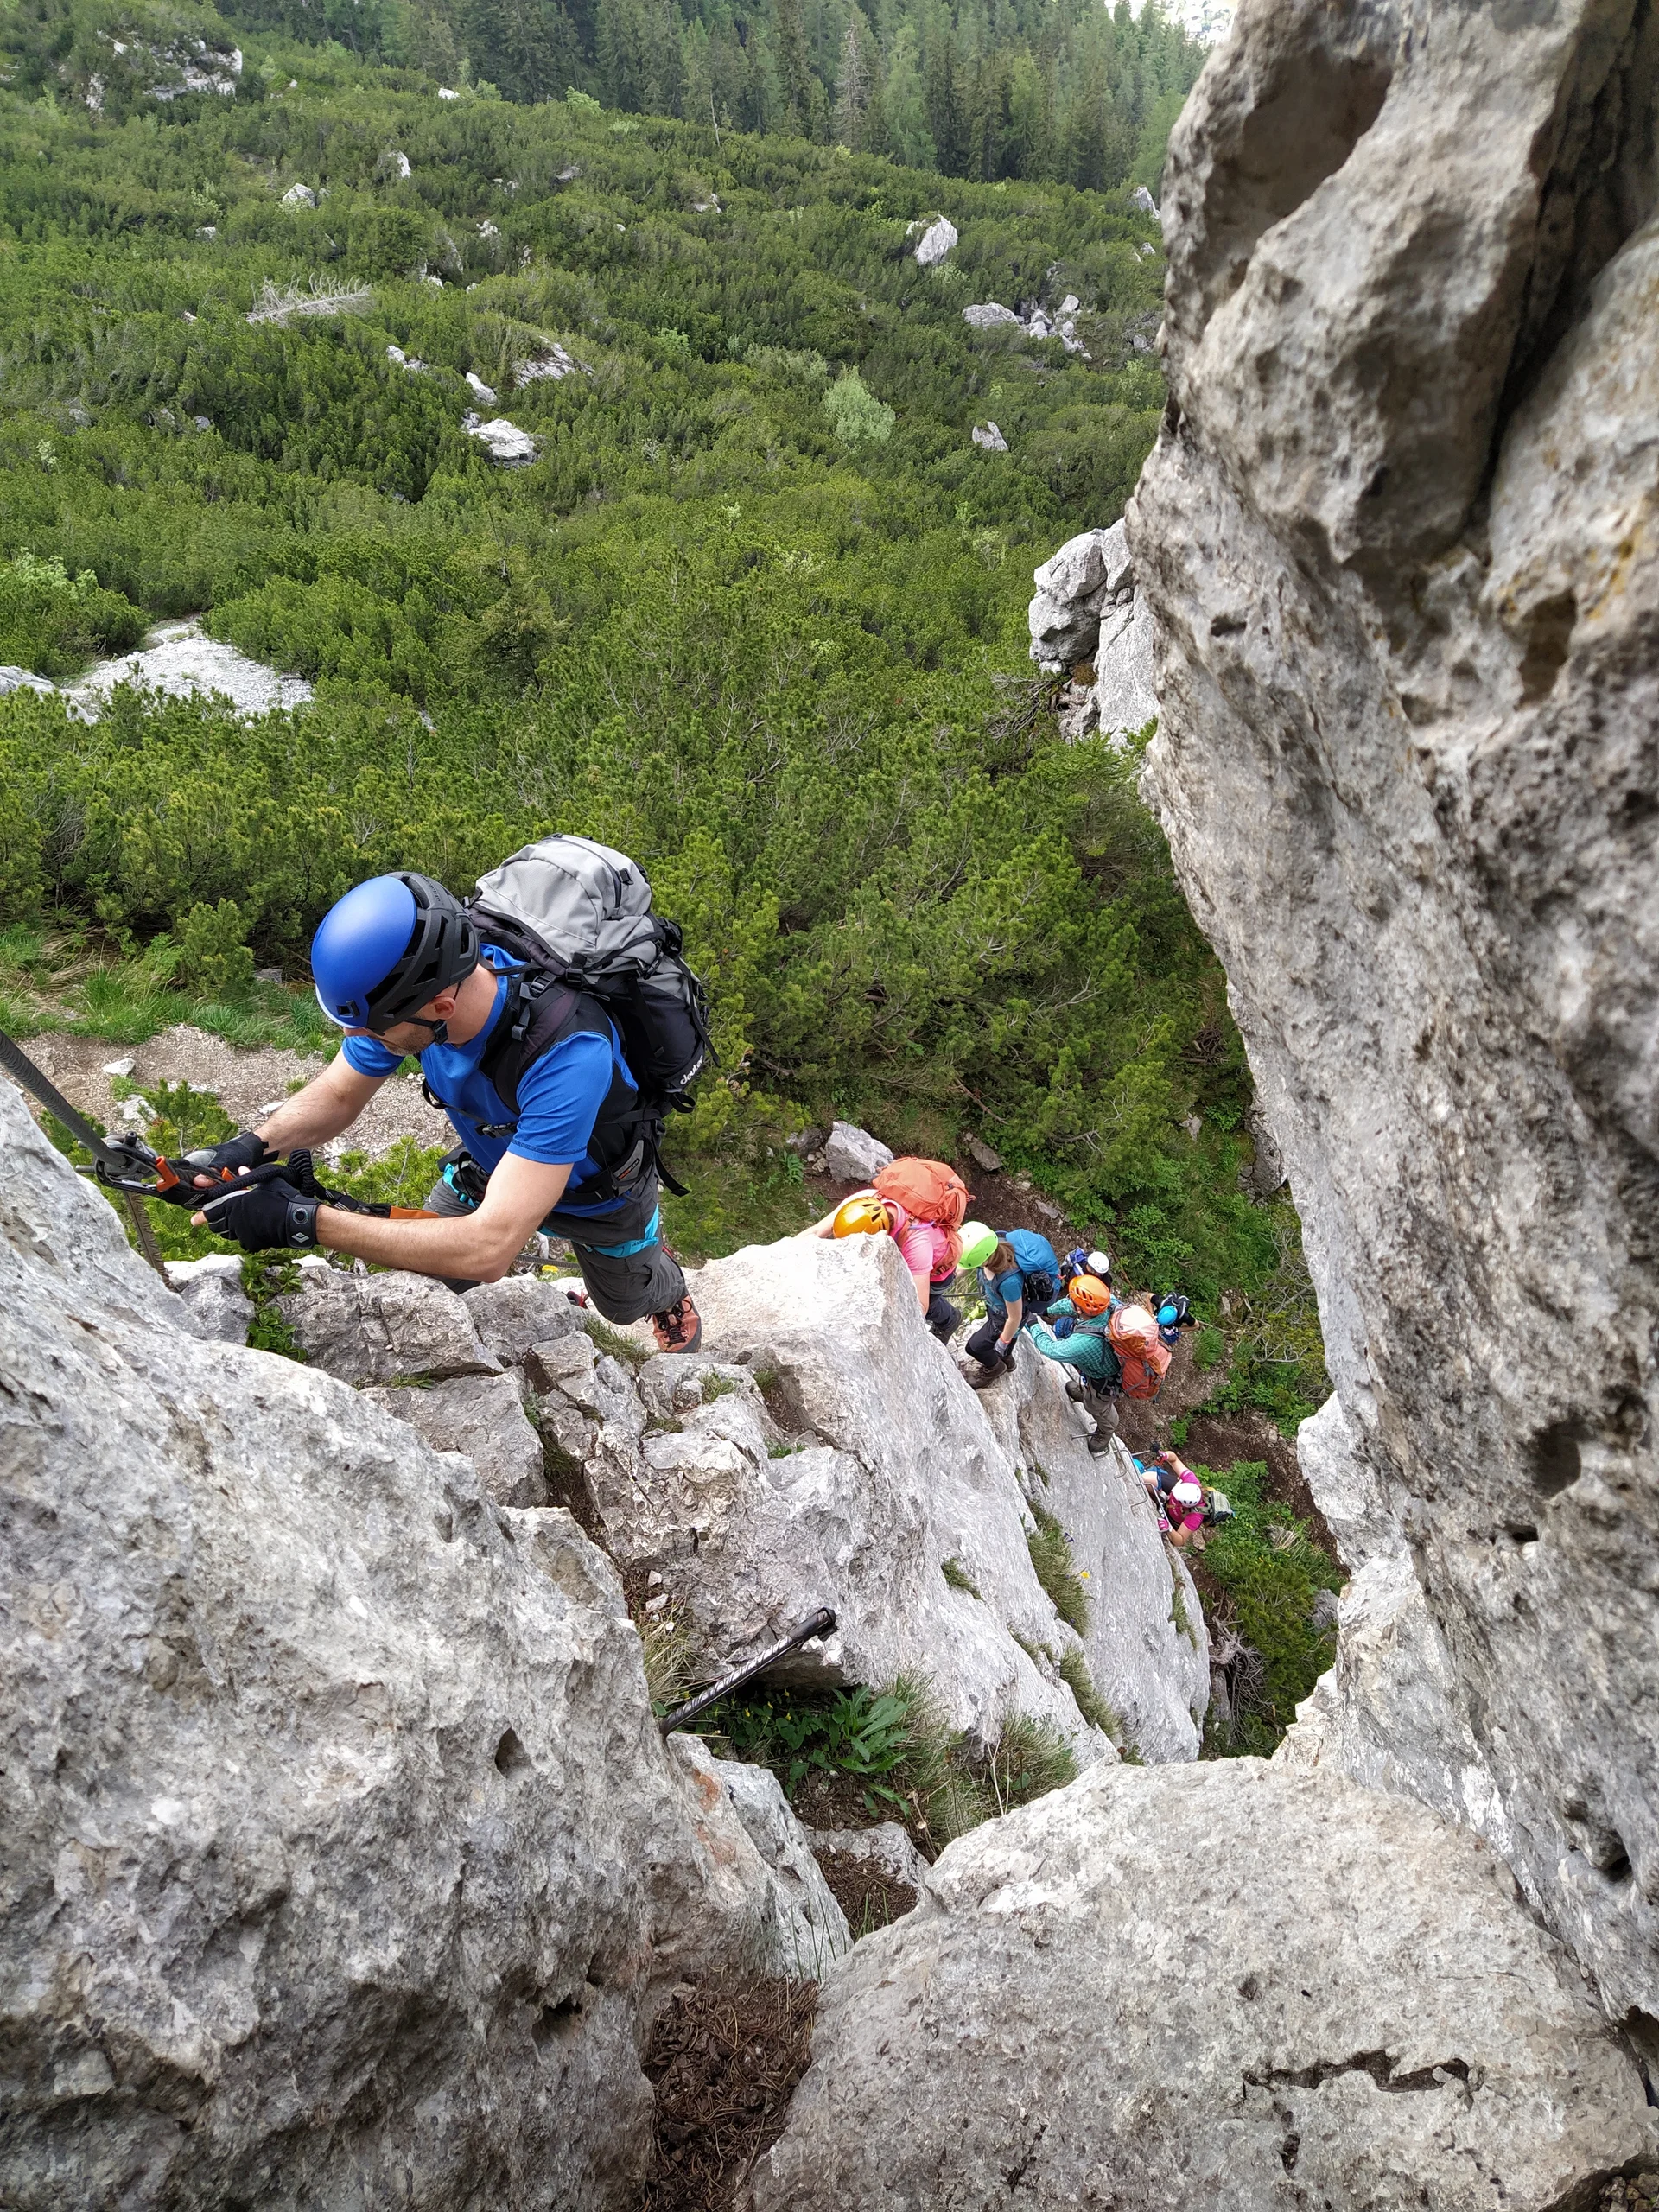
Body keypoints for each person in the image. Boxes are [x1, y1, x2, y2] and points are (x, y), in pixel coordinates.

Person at [187, 871, 702, 1351]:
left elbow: (489, 1250)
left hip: (596, 1197)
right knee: (420, 1278)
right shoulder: (412, 996)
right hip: (493, 1168)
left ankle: (664, 1281)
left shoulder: (568, 1051)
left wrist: (304, 1222)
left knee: (623, 1306)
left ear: (440, 1008)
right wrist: (251, 1146)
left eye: (369, 1027)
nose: (353, 1035)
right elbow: (339, 1095)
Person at [804, 1185, 963, 1341]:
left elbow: (919, 1306)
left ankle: (950, 1319)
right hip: (910, 1253)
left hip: (936, 1273)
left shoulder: (918, 1243)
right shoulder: (864, 1200)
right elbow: (816, 1232)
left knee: (927, 1306)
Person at [1027, 1272, 1121, 1453]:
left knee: (1096, 1406)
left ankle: (1106, 1429)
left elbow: (1052, 1349)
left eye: (1073, 1299)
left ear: (1080, 1310)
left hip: (1106, 1383)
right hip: (1101, 1366)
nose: (1069, 1299)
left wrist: (1033, 1325)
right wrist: (1046, 1311)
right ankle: (1087, 1392)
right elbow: (1071, 1306)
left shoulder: (1084, 1343)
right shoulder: (1107, 1304)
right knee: (1092, 1391)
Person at [962, 1224, 1060, 1385]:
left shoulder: (1010, 1282)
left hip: (1004, 1319)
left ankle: (996, 1367)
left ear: (983, 1259)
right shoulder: (994, 1247)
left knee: (974, 1347)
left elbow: (1015, 1318)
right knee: (1005, 1347)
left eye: (974, 1263)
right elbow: (966, 1267)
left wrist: (1002, 1343)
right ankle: (1007, 1360)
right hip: (999, 1310)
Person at [1138, 1448, 1207, 1550]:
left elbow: (1180, 1540)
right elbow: (1174, 1459)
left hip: (1173, 1519)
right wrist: (1165, 1456)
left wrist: (1169, 1528)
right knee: (1145, 1478)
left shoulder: (1195, 1516)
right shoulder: (1191, 1480)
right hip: (1172, 1489)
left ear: (1184, 1506)